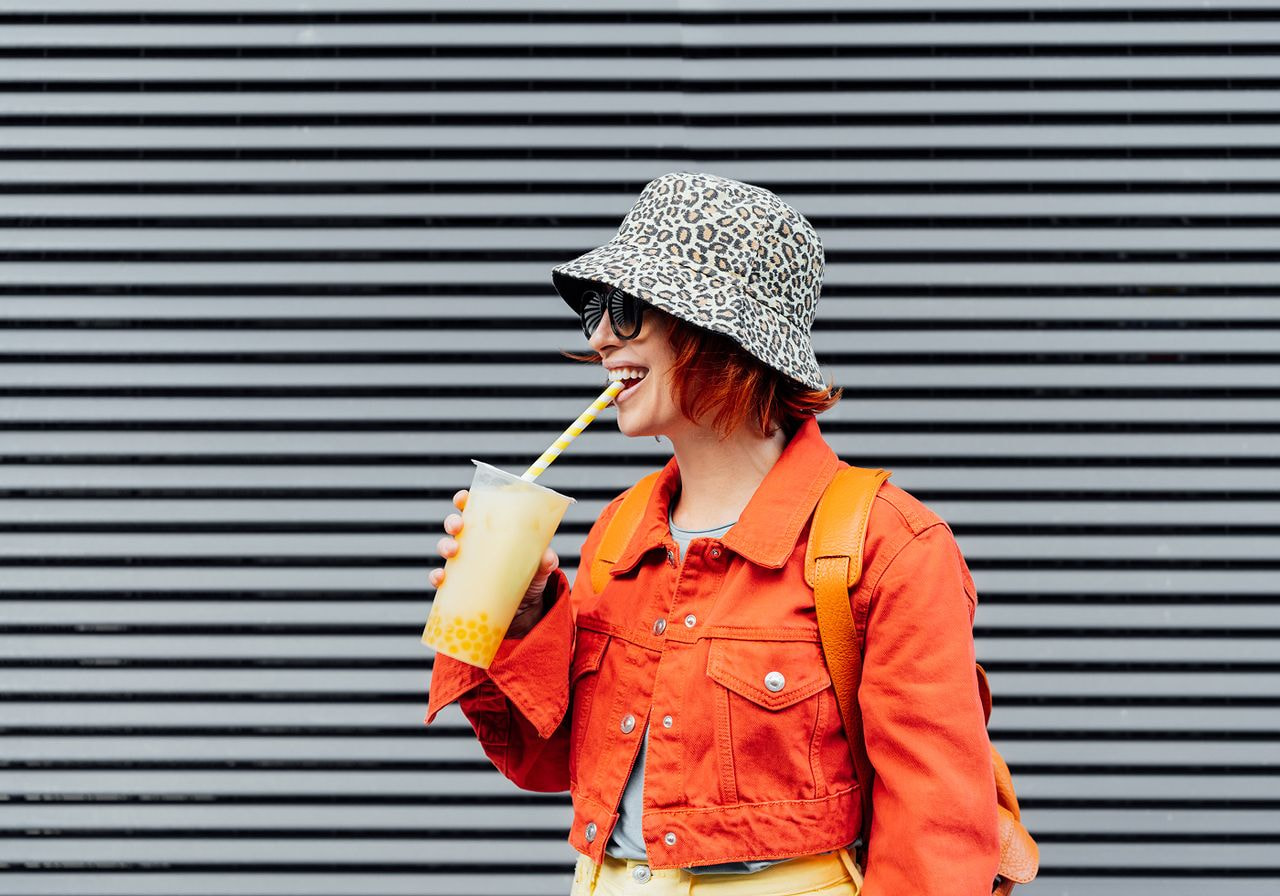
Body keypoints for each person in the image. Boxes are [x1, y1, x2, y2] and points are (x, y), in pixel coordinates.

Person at [425, 171, 1000, 895]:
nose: (601, 337)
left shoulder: (888, 547)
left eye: (629, 309)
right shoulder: (621, 530)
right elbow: (552, 764)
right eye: (597, 309)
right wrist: (524, 614)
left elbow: (938, 836)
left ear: (719, 330)